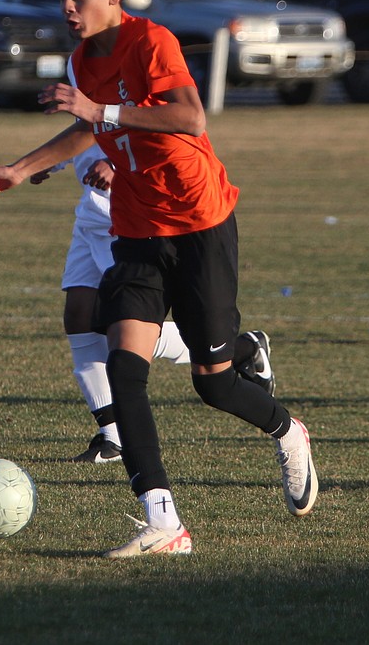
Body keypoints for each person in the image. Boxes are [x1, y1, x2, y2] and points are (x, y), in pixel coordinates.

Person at [0, 0, 317, 558]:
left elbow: (190, 117)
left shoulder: (149, 41)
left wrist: (102, 112)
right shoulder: (83, 61)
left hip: (199, 225)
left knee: (213, 384)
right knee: (124, 370)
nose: (67, 8)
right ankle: (165, 522)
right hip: (136, 229)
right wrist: (20, 169)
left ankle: (288, 429)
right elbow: (87, 125)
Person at [27, 144, 276, 464]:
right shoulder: (80, 92)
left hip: (131, 213)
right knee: (79, 314)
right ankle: (113, 435)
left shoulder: (138, 93)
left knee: (127, 329)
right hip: (93, 209)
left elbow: (161, 129)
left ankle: (243, 349)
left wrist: (117, 166)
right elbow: (84, 129)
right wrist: (48, 161)